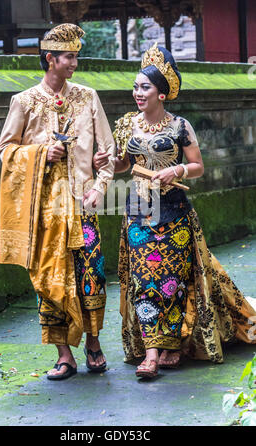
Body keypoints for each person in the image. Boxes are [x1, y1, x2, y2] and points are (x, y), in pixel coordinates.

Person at [94, 42, 256, 379]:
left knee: (172, 282)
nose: (137, 93)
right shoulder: (126, 124)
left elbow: (197, 165)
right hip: (138, 210)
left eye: (145, 87)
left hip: (174, 212)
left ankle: (172, 346)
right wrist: (107, 161)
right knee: (143, 281)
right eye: (136, 86)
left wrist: (177, 171)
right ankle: (151, 354)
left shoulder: (180, 126)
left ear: (162, 94)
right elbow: (123, 164)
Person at [0, 24, 115, 380]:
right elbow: (3, 151)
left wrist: (100, 187)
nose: (75, 63)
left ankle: (93, 342)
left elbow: (107, 151)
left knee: (91, 275)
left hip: (82, 205)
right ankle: (64, 355)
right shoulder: (24, 102)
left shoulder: (88, 97)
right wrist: (41, 153)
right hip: (44, 211)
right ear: (50, 59)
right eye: (69, 57)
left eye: (76, 56)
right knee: (49, 280)